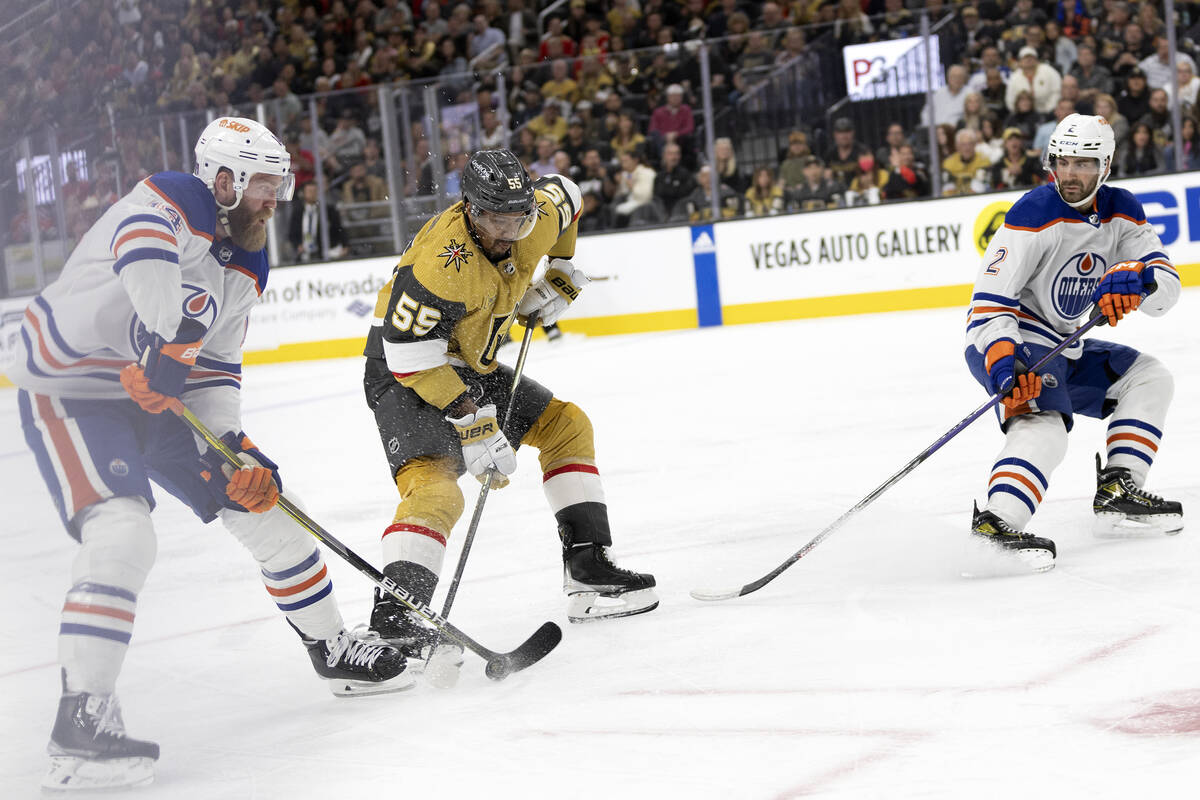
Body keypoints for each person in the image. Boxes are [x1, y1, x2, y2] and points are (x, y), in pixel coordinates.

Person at [11, 118, 410, 791]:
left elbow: (217, 371)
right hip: (74, 385)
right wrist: (162, 342)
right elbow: (145, 261)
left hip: (161, 401)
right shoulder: (173, 198)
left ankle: (330, 647)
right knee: (123, 531)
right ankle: (81, 720)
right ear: (221, 180)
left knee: (271, 506)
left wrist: (236, 451)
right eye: (262, 183)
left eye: (280, 183)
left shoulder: (249, 261)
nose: (275, 197)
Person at [361, 149, 658, 665]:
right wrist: (473, 423)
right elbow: (410, 357)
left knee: (567, 427)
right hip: (406, 371)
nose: (508, 231)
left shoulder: (534, 217)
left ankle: (588, 570)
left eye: (518, 218)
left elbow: (569, 193)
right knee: (437, 488)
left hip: (469, 362)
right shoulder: (441, 263)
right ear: (470, 209)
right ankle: (396, 623)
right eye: (495, 219)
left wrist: (561, 271)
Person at [964, 114, 1182, 572]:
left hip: (1066, 346)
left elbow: (1167, 288)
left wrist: (1140, 282)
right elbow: (987, 305)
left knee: (1149, 378)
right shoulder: (1033, 213)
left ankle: (1119, 489)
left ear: (1105, 166)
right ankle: (997, 524)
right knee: (1045, 423)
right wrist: (1004, 362)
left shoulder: (1122, 211)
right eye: (1063, 161)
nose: (1070, 174)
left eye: (1083, 163)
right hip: (1013, 340)